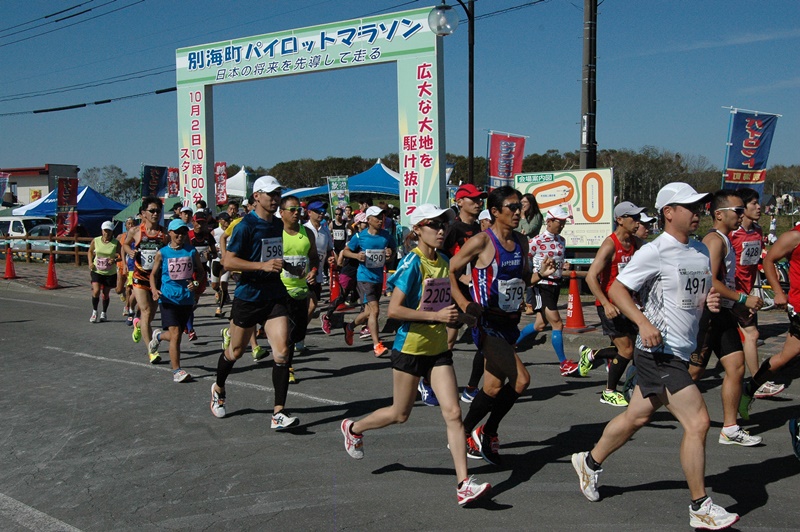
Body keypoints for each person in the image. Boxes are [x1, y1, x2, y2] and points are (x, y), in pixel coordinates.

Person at [571, 182, 740, 530]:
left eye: (698, 206)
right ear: (669, 212)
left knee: (636, 416)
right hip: (658, 351)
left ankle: (588, 462)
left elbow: (699, 291)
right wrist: (643, 323)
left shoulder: (698, 250)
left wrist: (709, 300)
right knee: (698, 422)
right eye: (689, 206)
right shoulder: (655, 250)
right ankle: (700, 506)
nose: (697, 212)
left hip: (681, 350)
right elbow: (617, 288)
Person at [339, 204, 491, 507]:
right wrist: (436, 317)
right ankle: (353, 428)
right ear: (418, 230)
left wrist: (465, 317)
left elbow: (444, 306)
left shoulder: (444, 261)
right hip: (409, 348)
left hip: (437, 351)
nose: (441, 230)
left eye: (443, 224)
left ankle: (463, 484)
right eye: (434, 224)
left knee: (454, 413)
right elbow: (394, 310)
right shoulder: (412, 263)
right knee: (400, 414)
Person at [450, 186, 556, 465]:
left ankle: (463, 432)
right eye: (513, 207)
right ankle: (488, 431)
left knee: (493, 388)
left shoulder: (521, 241)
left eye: (520, 206)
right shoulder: (482, 241)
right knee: (521, 379)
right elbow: (451, 269)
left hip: (510, 323)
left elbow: (522, 279)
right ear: (495, 212)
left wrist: (540, 274)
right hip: (487, 324)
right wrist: (464, 304)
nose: (519, 212)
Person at [211, 175, 298, 430]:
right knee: (236, 352)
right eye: (270, 194)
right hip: (248, 297)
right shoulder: (245, 226)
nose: (275, 199)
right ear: (256, 196)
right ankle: (218, 388)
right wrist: (261, 266)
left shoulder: (277, 224)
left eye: (278, 194)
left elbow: (272, 256)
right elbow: (228, 262)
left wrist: (289, 266)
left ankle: (278, 413)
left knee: (282, 352)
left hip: (274, 295)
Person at [687, 190, 762, 446]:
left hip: (724, 312)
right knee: (693, 373)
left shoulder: (727, 239)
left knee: (737, 366)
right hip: (708, 314)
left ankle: (730, 428)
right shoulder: (714, 240)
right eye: (737, 210)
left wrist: (736, 305)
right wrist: (742, 299)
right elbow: (710, 281)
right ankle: (644, 398)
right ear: (719, 214)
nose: (741, 214)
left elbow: (724, 281)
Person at [580, 201, 647, 407]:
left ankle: (591, 355)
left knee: (634, 346)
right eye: (633, 218)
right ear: (620, 220)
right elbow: (591, 277)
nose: (638, 222)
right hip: (610, 304)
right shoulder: (610, 244)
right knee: (626, 349)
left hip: (629, 303)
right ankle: (609, 391)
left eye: (639, 218)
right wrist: (606, 304)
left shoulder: (637, 243)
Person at [740, 216, 800, 419]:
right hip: (799, 306)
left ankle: (750, 388)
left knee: (786, 356)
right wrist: (778, 292)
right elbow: (768, 260)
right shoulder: (794, 237)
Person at [435, 183, 487, 406]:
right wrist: (458, 277)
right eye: (473, 199)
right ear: (459, 202)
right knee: (449, 340)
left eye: (480, 199)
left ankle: (472, 387)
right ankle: (430, 381)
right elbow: (440, 260)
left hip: (476, 292)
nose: (478, 203)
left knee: (485, 340)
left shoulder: (479, 230)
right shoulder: (453, 229)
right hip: (455, 291)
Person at [729, 187, 784, 398]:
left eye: (758, 202)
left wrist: (770, 267)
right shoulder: (731, 234)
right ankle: (757, 382)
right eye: (753, 203)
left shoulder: (758, 231)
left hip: (747, 292)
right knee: (751, 335)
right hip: (731, 293)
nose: (759, 207)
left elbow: (756, 258)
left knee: (750, 335)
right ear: (742, 208)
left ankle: (755, 382)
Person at [147, 218, 206, 383]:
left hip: (186, 298)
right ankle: (177, 371)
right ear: (170, 233)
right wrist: (154, 290)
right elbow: (153, 274)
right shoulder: (162, 253)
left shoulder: (191, 251)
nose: (181, 235)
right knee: (176, 334)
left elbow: (201, 272)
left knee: (176, 334)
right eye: (177, 232)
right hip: (168, 298)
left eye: (184, 232)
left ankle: (158, 336)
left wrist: (195, 283)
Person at [529, 206, 579, 376]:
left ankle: (511, 345)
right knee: (557, 323)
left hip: (556, 284)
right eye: (560, 221)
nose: (562, 225)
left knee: (540, 325)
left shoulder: (562, 240)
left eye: (564, 222)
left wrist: (564, 266)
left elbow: (559, 260)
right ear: (549, 221)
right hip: (542, 284)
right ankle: (563, 363)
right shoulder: (536, 241)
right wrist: (530, 276)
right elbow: (524, 257)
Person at [342, 205, 397, 357]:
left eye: (382, 217)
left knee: (367, 312)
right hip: (364, 278)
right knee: (375, 310)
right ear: (368, 219)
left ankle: (350, 327)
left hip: (378, 278)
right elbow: (345, 251)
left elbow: (393, 253)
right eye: (377, 217)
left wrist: (390, 253)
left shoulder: (386, 236)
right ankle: (377, 345)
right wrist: (356, 256)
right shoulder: (360, 236)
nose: (380, 220)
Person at [124, 197, 169, 363]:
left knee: (149, 316)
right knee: (146, 311)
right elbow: (125, 244)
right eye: (152, 211)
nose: (156, 214)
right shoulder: (135, 231)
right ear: (143, 213)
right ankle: (152, 350)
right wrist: (130, 251)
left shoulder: (164, 234)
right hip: (140, 277)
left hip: (157, 279)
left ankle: (138, 325)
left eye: (158, 211)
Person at [280, 195, 319, 384]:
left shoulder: (307, 233)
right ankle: (287, 367)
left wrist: (313, 271)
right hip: (280, 289)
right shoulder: (276, 234)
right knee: (286, 332)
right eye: (292, 210)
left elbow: (314, 257)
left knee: (297, 332)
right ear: (282, 213)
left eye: (298, 210)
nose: (296, 213)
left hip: (301, 289)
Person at [304, 200, 334, 341]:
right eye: (317, 211)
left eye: (322, 211)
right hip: (303, 274)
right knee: (305, 305)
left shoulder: (325, 230)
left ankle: (299, 332)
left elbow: (329, 250)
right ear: (309, 213)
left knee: (312, 305)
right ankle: (296, 333)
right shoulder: (303, 229)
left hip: (318, 274)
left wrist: (330, 258)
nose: (321, 214)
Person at [88, 221, 122, 323]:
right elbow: (90, 251)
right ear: (102, 231)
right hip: (97, 270)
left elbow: (122, 256)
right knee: (96, 291)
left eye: (109, 231)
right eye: (105, 231)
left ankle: (104, 312)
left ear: (112, 232)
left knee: (105, 293)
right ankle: (94, 312)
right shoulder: (96, 240)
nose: (107, 233)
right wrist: (90, 262)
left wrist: (114, 260)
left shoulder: (116, 243)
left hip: (109, 272)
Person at [211, 212, 232, 318]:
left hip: (227, 262)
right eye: (225, 220)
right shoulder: (215, 232)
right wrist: (212, 249)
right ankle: (219, 292)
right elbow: (209, 243)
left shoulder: (232, 231)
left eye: (229, 219)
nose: (227, 222)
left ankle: (219, 308)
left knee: (223, 284)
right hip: (216, 260)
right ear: (220, 221)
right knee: (214, 285)